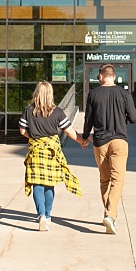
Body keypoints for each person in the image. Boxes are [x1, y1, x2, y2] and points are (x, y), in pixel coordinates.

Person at [19, 80, 86, 232]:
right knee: (49, 183)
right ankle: (48, 215)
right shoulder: (57, 112)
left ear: (36, 93)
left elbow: (22, 131)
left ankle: (41, 214)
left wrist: (34, 138)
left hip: (36, 150)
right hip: (52, 151)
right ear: (50, 94)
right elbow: (69, 131)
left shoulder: (28, 111)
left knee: (37, 183)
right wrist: (82, 141)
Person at [81, 64, 136, 235]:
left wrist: (85, 136)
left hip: (100, 142)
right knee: (118, 179)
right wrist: (124, 117)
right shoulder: (124, 94)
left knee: (105, 179)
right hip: (119, 140)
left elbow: (88, 119)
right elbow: (134, 118)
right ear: (113, 76)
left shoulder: (93, 94)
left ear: (100, 77)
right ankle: (110, 214)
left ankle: (109, 213)